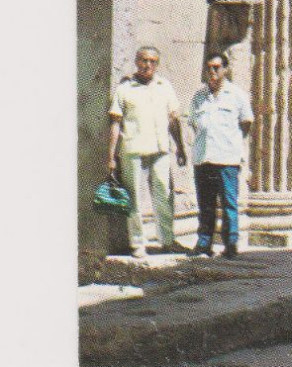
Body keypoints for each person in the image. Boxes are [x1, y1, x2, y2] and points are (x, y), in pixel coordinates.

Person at [106, 46, 187, 257]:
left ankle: (167, 240)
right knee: (133, 197)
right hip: (132, 148)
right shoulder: (125, 88)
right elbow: (116, 122)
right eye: (143, 60)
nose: (147, 65)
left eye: (152, 61)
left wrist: (180, 147)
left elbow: (174, 119)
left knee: (164, 193)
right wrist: (111, 156)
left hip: (160, 148)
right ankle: (138, 244)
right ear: (136, 61)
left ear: (157, 64)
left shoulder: (164, 86)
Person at [186, 51, 254, 258]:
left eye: (217, 67)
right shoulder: (199, 97)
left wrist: (230, 142)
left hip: (226, 158)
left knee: (229, 203)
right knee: (205, 204)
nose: (212, 72)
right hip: (204, 158)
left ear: (225, 69)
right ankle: (204, 242)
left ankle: (231, 243)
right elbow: (193, 123)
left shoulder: (236, 95)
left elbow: (246, 122)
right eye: (209, 68)